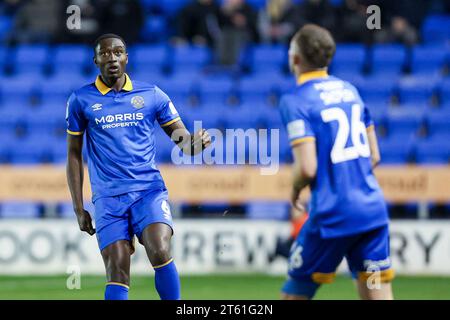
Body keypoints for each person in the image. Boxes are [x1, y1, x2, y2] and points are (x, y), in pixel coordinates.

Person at [66, 34, 211, 300]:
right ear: (96, 60)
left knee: (159, 249)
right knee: (117, 269)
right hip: (108, 198)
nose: (112, 58)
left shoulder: (152, 95)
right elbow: (74, 156)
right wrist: (78, 207)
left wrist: (196, 144)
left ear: (126, 58)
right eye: (106, 53)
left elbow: (184, 143)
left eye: (118, 52)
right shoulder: (80, 100)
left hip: (148, 191)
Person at [279, 24, 394, 300]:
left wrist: (295, 188)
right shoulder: (350, 91)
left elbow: (307, 168)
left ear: (295, 58)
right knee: (377, 294)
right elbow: (374, 155)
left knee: (294, 294)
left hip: (332, 216)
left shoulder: (295, 101)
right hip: (372, 213)